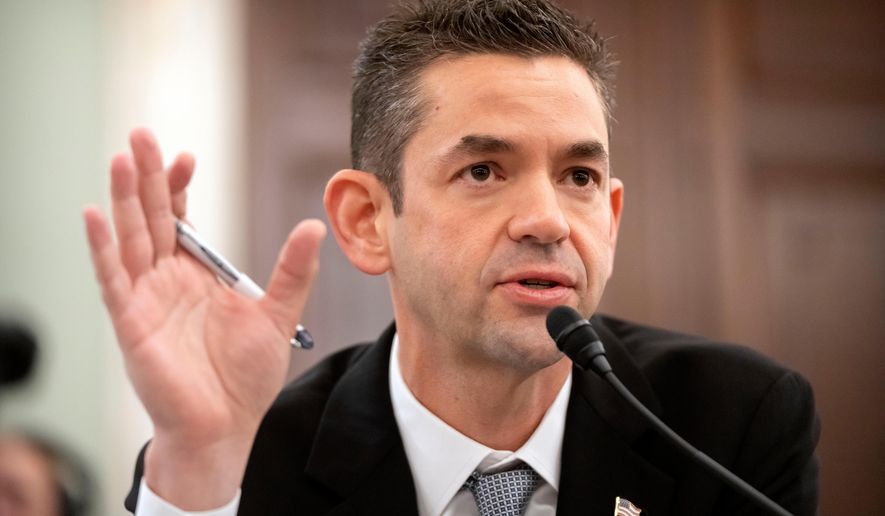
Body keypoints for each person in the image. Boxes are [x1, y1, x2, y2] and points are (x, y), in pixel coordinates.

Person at [82, 0, 820, 514]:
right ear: (368, 221)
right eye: (482, 171)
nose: (547, 220)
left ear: (612, 217)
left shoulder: (731, 424)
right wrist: (200, 459)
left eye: (579, 177)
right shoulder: (253, 460)